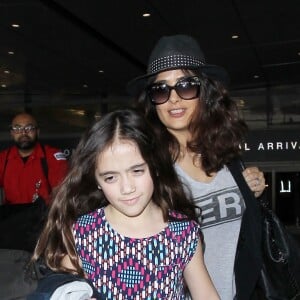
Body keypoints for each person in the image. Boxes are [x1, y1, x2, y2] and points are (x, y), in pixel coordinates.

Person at [127, 34, 266, 299]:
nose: (174, 99)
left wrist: (252, 192)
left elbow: (247, 234)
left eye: (186, 86)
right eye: (161, 89)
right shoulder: (147, 167)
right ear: (152, 101)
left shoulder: (228, 157)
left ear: (205, 92)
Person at [32, 109, 220, 299]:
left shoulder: (183, 233)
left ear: (154, 165)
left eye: (137, 171)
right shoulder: (82, 232)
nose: (127, 187)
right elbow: (61, 289)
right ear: (96, 180)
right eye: (111, 177)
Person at [0, 112, 68, 205]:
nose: (23, 133)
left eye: (29, 128)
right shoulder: (3, 158)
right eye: (17, 128)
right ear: (12, 133)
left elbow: (61, 194)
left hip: (43, 215)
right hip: (12, 216)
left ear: (37, 132)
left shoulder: (52, 156)